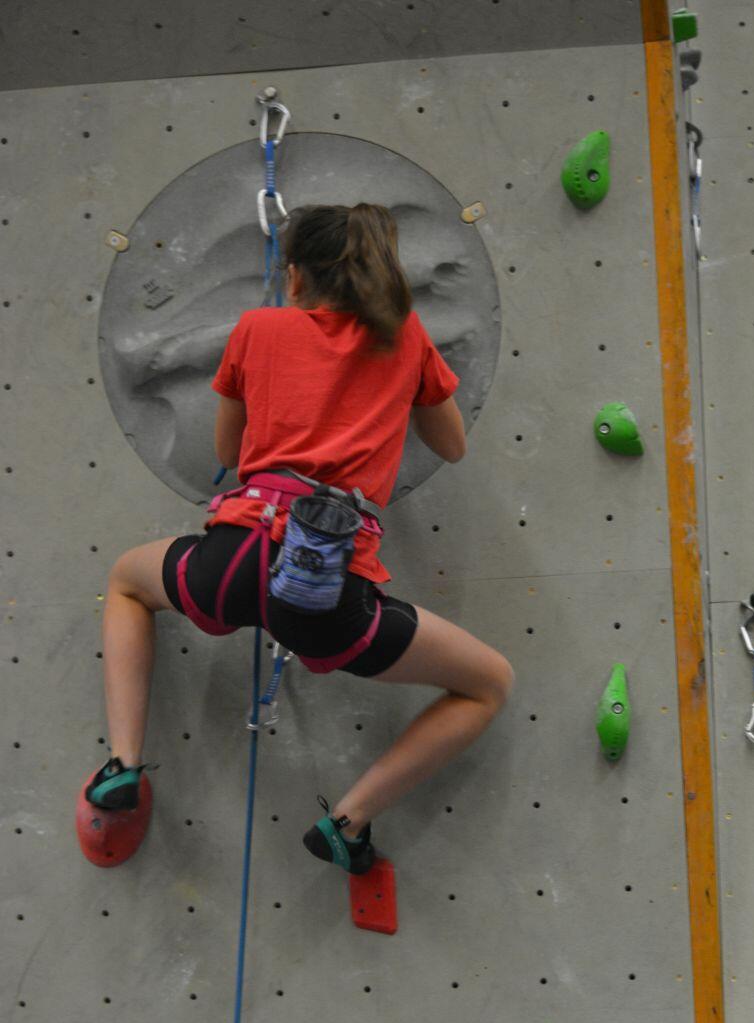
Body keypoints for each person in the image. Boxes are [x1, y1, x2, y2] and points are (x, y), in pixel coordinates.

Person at [83, 202, 513, 873]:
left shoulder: (256, 329)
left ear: (295, 276)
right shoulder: (404, 338)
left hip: (234, 558)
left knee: (127, 583)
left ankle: (123, 763)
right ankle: (348, 822)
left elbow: (229, 451)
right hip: (326, 587)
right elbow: (451, 445)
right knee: (488, 684)